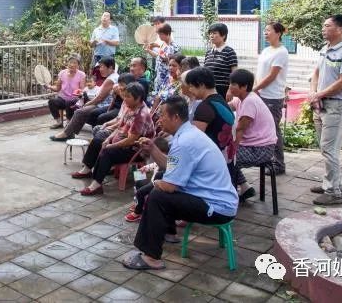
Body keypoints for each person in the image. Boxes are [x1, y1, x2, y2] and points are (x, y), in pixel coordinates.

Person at [123, 96, 238, 271]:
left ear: (175, 117)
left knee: (158, 197)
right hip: (214, 200)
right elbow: (172, 166)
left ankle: (151, 256)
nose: (159, 119)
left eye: (162, 115)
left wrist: (157, 183)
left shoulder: (185, 141)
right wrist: (153, 149)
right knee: (159, 190)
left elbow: (170, 186)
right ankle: (165, 236)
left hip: (217, 207)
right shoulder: (187, 134)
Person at [309, 14, 342, 206]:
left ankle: (334, 192)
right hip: (321, 103)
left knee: (330, 148)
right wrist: (314, 93)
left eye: (327, 25)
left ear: (339, 29)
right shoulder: (325, 49)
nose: (323, 29)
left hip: (336, 105)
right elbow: (317, 72)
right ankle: (329, 182)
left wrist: (319, 94)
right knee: (325, 147)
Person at [71, 82, 155, 195]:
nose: (124, 99)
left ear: (138, 98)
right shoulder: (130, 107)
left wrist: (111, 145)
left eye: (128, 97)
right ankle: (87, 170)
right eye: (124, 96)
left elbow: (130, 141)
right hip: (124, 141)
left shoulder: (141, 115)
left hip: (137, 149)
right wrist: (108, 139)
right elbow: (120, 126)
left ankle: (96, 185)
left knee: (107, 152)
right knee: (98, 141)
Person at [229, 69, 279, 202]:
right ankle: (245, 187)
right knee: (225, 155)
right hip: (253, 145)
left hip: (261, 149)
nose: (230, 87)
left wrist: (232, 149)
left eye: (233, 84)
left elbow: (240, 128)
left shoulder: (250, 101)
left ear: (244, 86)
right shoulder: (241, 98)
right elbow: (229, 106)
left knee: (226, 157)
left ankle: (230, 196)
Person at [51, 57, 118, 141]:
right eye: (100, 67)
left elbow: (100, 98)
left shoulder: (110, 80)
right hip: (100, 103)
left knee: (80, 111)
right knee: (76, 106)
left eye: (102, 67)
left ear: (111, 67)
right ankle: (69, 131)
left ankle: (67, 133)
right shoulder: (114, 76)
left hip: (102, 105)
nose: (100, 69)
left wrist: (88, 103)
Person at [254, 22, 289, 174]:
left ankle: (279, 164)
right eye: (265, 30)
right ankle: (268, 160)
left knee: (273, 130)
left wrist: (255, 89)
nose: (265, 33)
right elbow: (260, 72)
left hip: (273, 97)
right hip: (261, 94)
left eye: (268, 30)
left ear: (278, 33)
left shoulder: (281, 52)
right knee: (264, 128)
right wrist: (255, 88)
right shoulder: (266, 50)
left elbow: (272, 75)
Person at [46, 54, 86, 129]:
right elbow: (57, 88)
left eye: (74, 63)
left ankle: (68, 123)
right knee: (52, 101)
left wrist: (79, 92)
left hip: (75, 99)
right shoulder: (62, 73)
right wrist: (49, 86)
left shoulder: (81, 74)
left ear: (78, 65)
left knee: (69, 102)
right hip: (63, 98)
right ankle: (59, 122)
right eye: (70, 62)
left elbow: (82, 90)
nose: (72, 64)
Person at [203, 22, 238, 99]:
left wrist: (230, 90)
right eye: (210, 33)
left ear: (223, 35)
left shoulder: (229, 52)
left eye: (215, 33)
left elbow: (235, 74)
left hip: (223, 91)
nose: (211, 36)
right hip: (208, 90)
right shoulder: (208, 52)